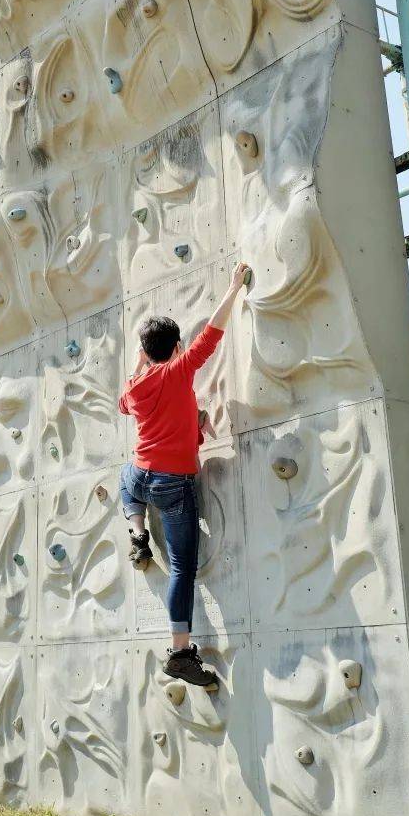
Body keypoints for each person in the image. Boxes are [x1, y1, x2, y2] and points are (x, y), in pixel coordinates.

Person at [118, 263, 251, 691]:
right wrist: (234, 287)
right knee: (182, 568)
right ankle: (179, 652)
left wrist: (193, 418)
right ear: (176, 347)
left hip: (141, 478)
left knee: (125, 477)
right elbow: (212, 334)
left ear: (145, 352)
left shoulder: (135, 387)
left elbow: (127, 402)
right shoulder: (179, 370)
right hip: (173, 486)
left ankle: (138, 533)